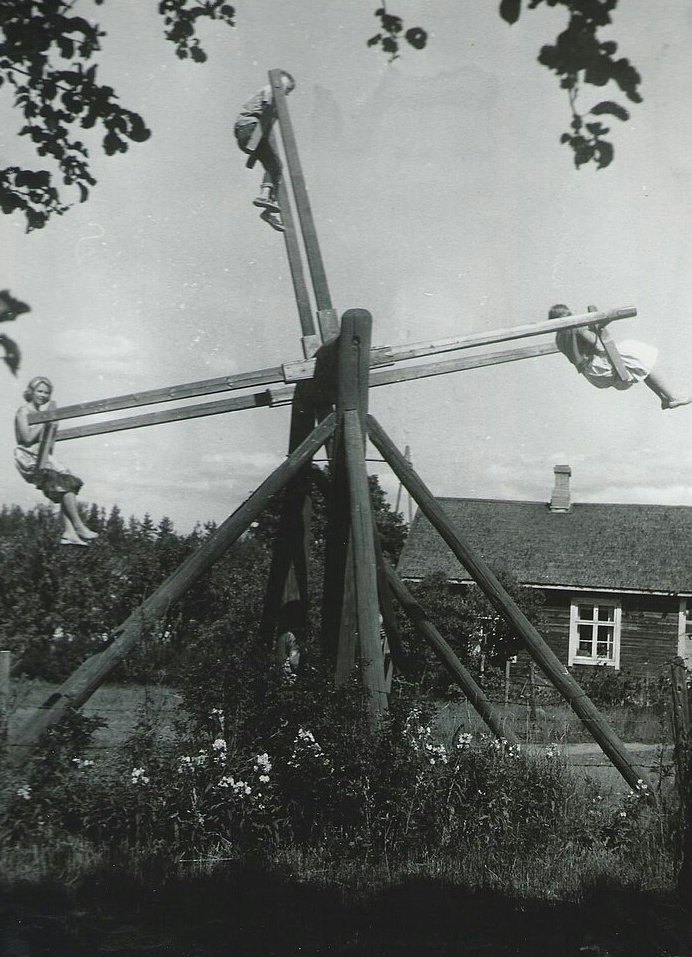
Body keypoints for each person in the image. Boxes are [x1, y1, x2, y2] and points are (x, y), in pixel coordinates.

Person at [550, 304, 692, 410]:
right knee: (638, 352)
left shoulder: (559, 338)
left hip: (593, 375)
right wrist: (594, 330)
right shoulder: (575, 327)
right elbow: (599, 345)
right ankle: (672, 396)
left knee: (639, 364)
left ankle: (664, 398)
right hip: (599, 366)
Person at [14, 376, 99, 546]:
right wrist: (46, 421)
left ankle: (69, 533)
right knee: (65, 483)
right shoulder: (24, 411)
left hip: (42, 455)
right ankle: (78, 526)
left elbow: (46, 441)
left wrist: (49, 423)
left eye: (46, 393)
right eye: (39, 391)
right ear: (31, 391)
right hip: (28, 455)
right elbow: (27, 437)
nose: (43, 395)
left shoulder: (40, 413)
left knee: (67, 485)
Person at [234, 71, 296, 233]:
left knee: (274, 167)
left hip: (246, 132)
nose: (285, 95)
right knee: (275, 166)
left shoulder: (269, 95)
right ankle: (264, 195)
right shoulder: (270, 90)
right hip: (249, 128)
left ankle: (268, 209)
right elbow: (269, 106)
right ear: (280, 84)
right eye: (286, 90)